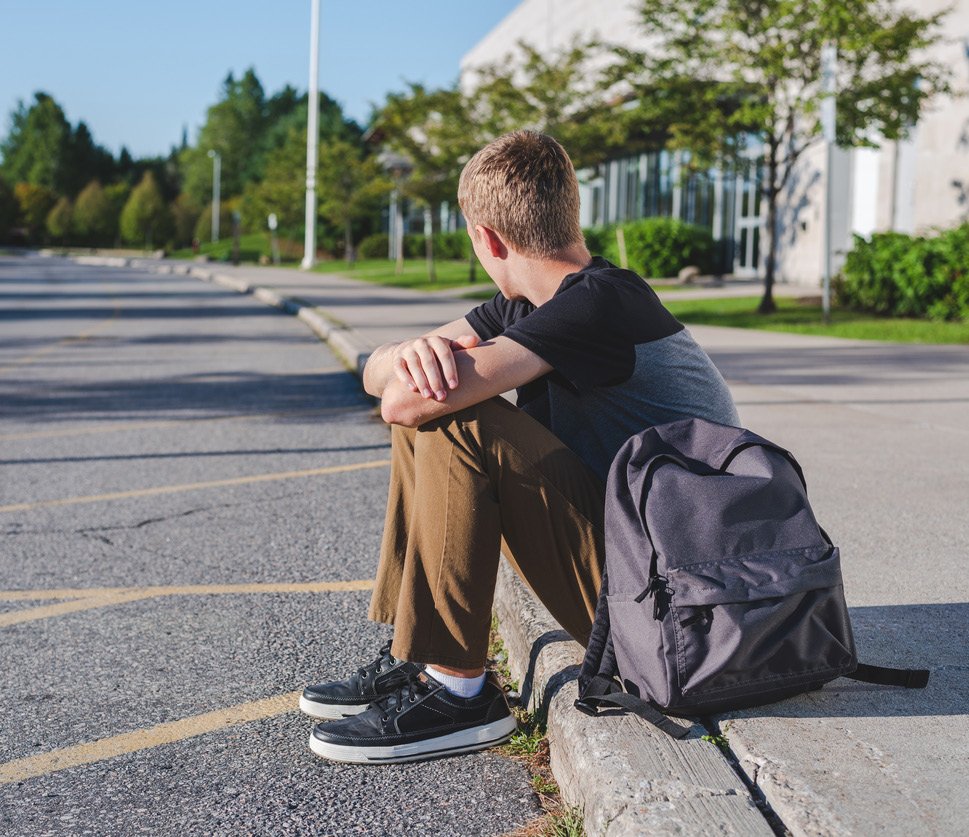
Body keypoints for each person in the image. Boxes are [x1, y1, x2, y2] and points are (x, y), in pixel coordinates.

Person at [300, 130, 739, 764]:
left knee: (455, 417)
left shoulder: (598, 305)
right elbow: (380, 375)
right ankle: (419, 654)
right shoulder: (534, 304)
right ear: (571, 213)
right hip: (652, 582)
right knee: (436, 399)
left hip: (678, 610)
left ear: (488, 239)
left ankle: (458, 690)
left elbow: (403, 401)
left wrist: (411, 371)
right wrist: (404, 353)